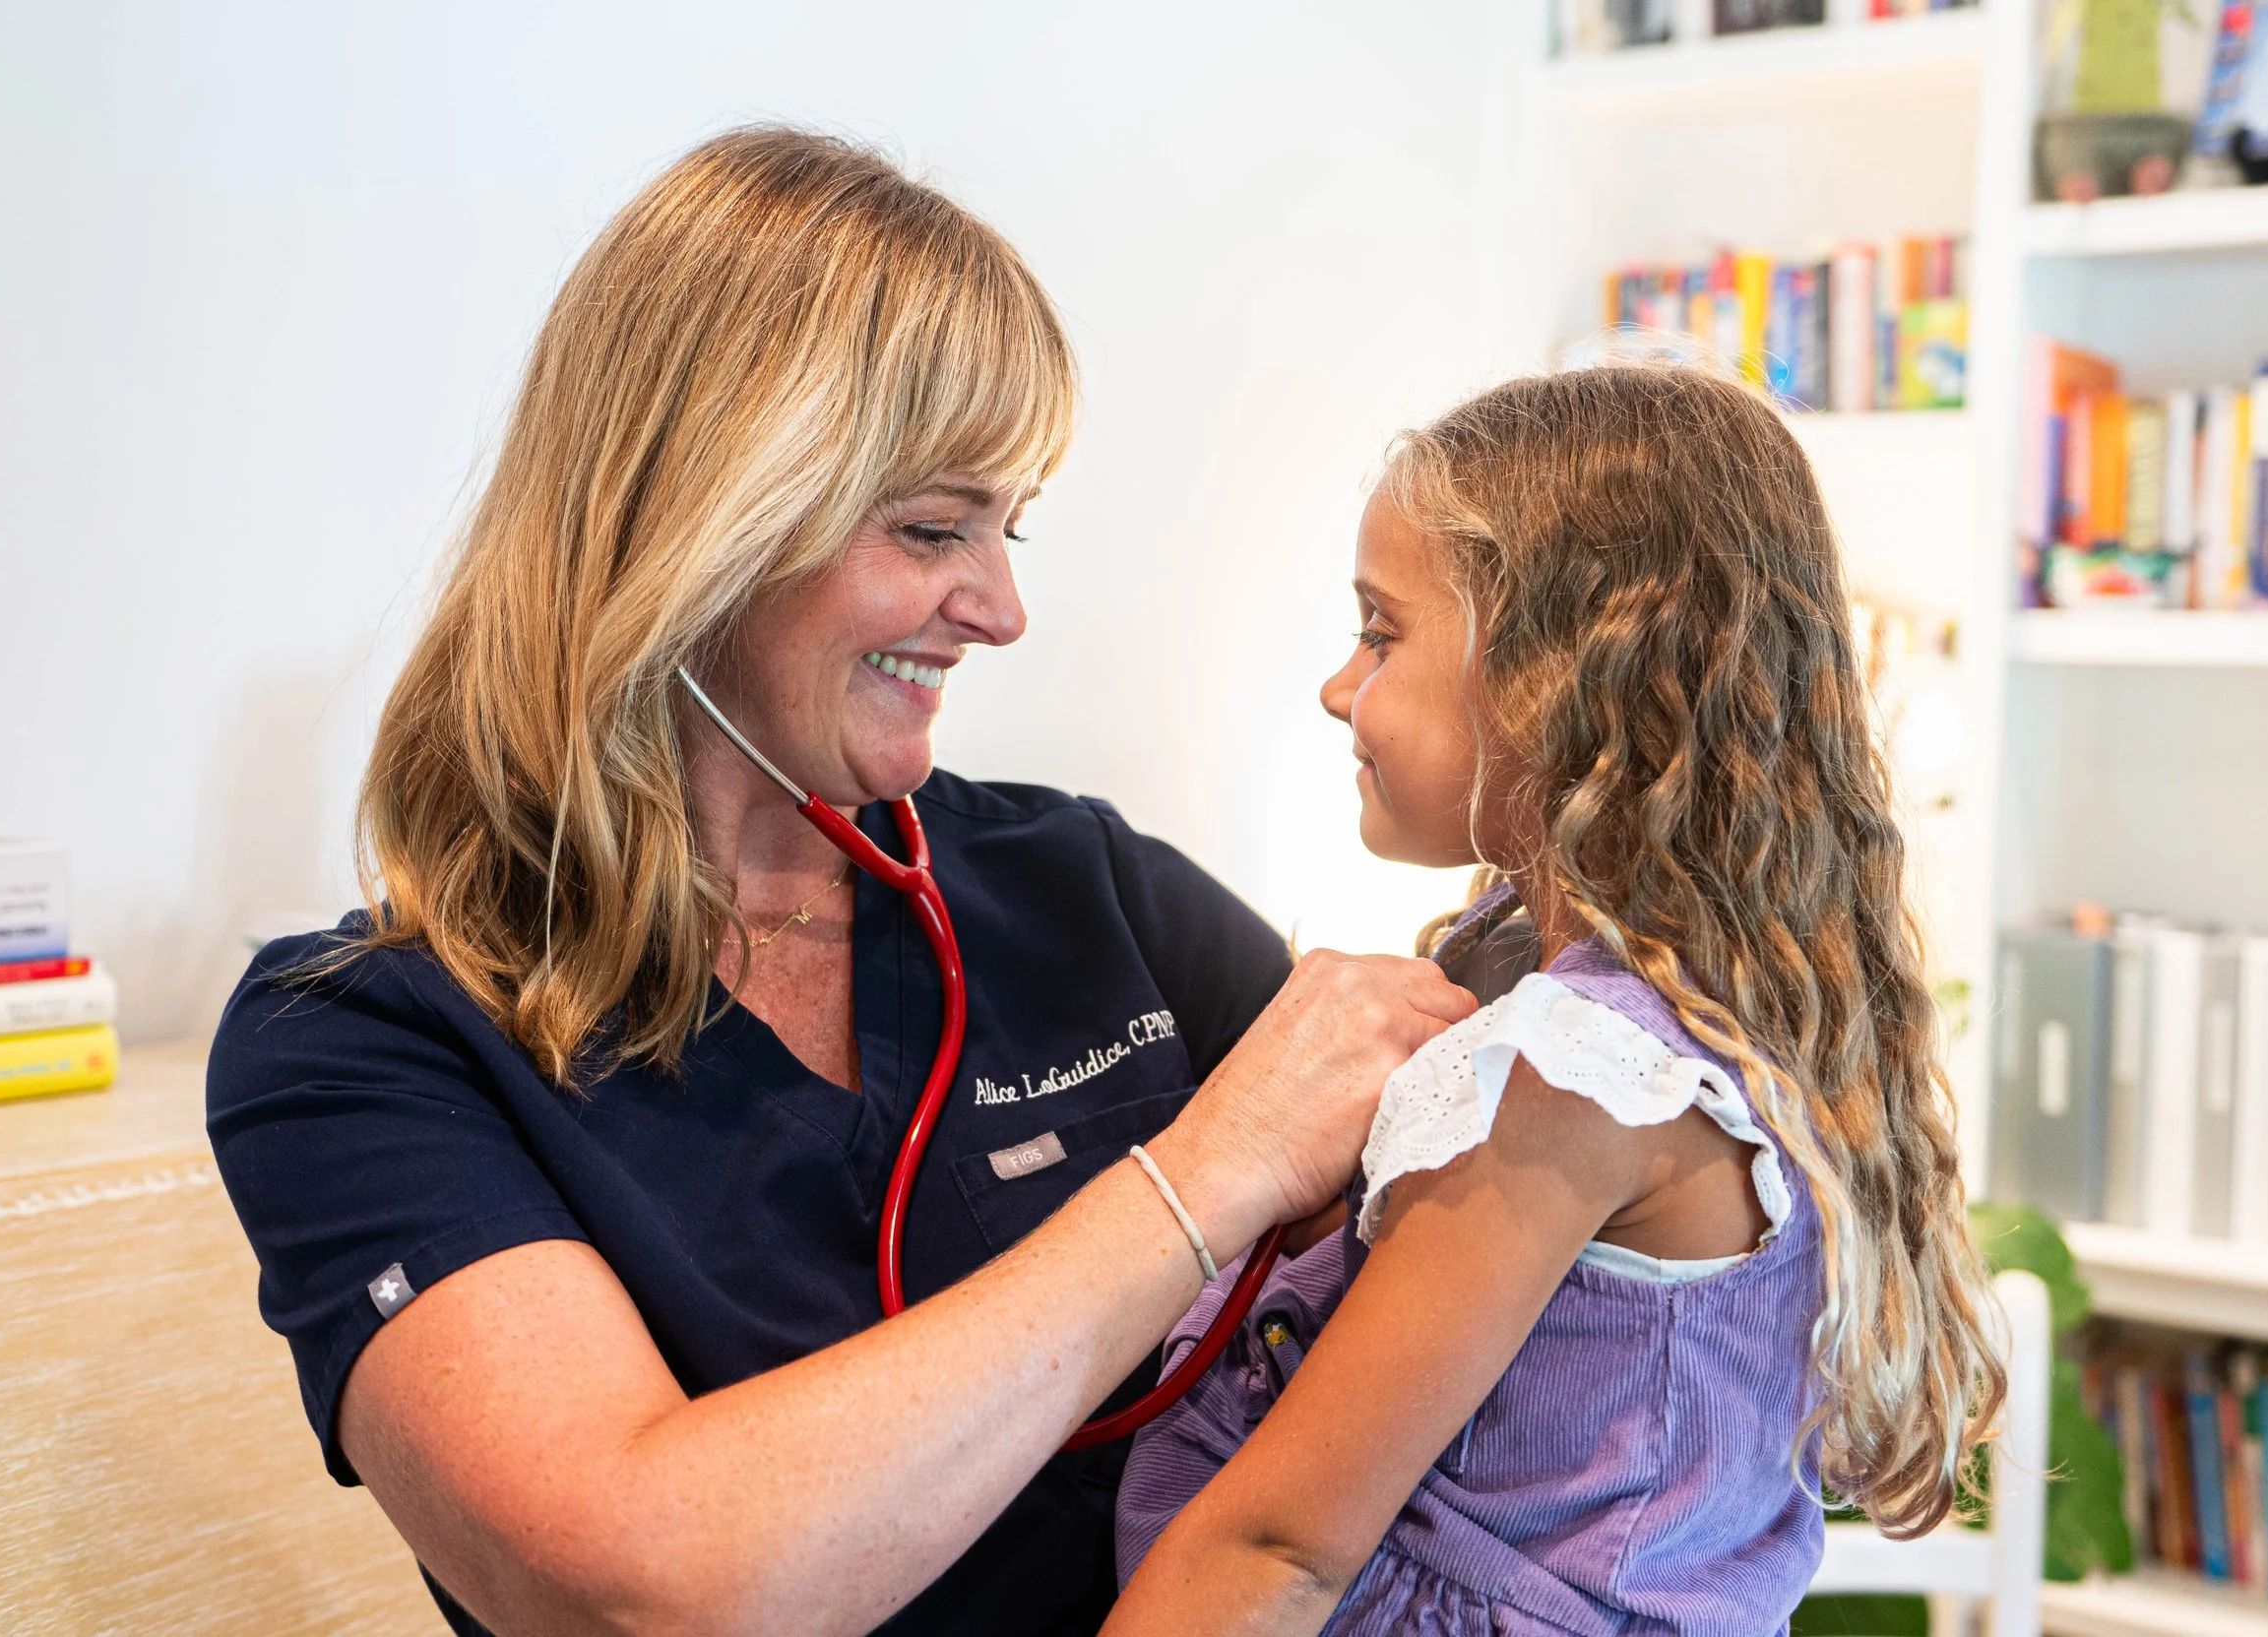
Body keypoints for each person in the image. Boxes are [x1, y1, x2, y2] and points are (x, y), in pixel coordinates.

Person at [204, 126, 1474, 1637]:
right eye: (935, 527)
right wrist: (1206, 1175)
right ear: (697, 521)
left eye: (1011, 527)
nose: (1001, 609)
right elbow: (644, 1585)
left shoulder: (1081, 885)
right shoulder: (362, 1047)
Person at [1105, 365, 2010, 1636]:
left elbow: (1277, 1549)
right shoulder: (1705, 1007)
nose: (1337, 687)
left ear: (1549, 681)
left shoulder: (1572, 1073)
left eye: (1381, 632)